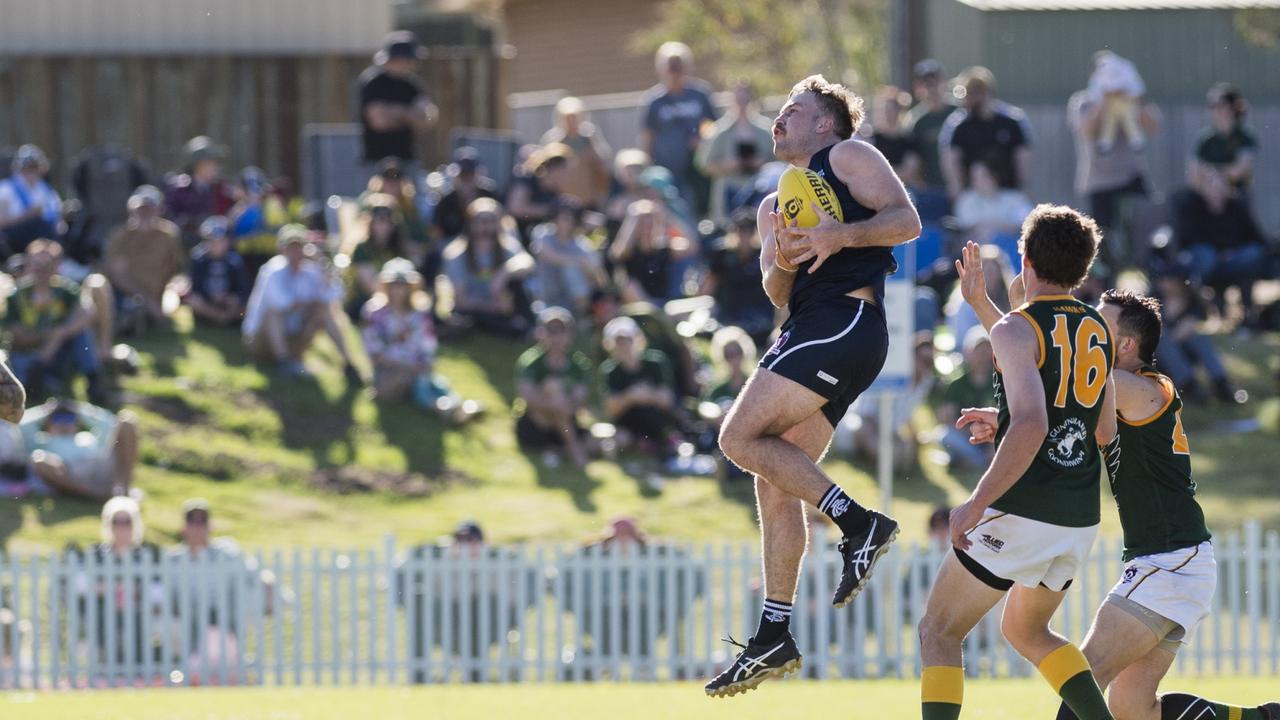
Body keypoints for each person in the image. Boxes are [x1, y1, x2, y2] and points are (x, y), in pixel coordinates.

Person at [957, 288, 1279, 720]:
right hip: (1173, 562)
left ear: (1126, 345)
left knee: (1081, 690)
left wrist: (988, 310)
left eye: (1098, 326)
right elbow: (1060, 405)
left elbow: (1050, 370)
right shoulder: (1108, 394)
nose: (1084, 332)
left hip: (1171, 563)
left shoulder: (1139, 388)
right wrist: (1007, 418)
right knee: (1133, 709)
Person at [704, 74, 921, 698]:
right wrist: (785, 257)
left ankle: (858, 522)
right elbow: (777, 292)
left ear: (824, 122)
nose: (779, 120)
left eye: (792, 110)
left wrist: (839, 235)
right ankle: (774, 632)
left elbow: (905, 221)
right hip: (813, 327)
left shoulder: (847, 155)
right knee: (774, 480)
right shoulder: (776, 201)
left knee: (738, 436)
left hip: (846, 320)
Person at [918, 210, 1118, 720]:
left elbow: (1030, 422)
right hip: (1078, 518)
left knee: (939, 631)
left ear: (1024, 260)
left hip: (1024, 509)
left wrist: (975, 503)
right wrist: (1005, 417)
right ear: (1084, 269)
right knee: (1026, 631)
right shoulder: (1095, 325)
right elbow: (1100, 426)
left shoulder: (1016, 327)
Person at [360, 259, 479, 423]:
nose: (398, 291)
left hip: (417, 367)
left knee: (429, 383)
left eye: (402, 285)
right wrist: (409, 367)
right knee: (411, 382)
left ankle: (456, 406)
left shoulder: (419, 314)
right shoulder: (374, 313)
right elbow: (375, 353)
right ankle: (447, 409)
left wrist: (425, 364)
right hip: (389, 368)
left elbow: (428, 345)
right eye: (394, 285)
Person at [241, 225, 361, 383]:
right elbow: (281, 303)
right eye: (291, 247)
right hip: (259, 341)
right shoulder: (272, 270)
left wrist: (322, 262)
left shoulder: (310, 272)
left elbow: (336, 295)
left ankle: (348, 364)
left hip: (292, 338)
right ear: (282, 249)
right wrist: (310, 302)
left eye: (299, 247)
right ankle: (284, 363)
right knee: (273, 313)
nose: (295, 252)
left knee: (323, 311)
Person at [1068, 53, 1159, 248]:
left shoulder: (1131, 100)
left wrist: (1134, 95)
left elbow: (1153, 126)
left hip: (1131, 175)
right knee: (1100, 240)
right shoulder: (1083, 102)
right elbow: (1086, 131)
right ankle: (1106, 276)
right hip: (1098, 180)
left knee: (1148, 226)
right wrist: (1103, 99)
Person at [3, 239, 106, 404]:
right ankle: (37, 387)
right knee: (26, 371)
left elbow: (88, 313)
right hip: (27, 356)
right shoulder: (17, 295)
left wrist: (60, 334)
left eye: (48, 264)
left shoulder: (66, 291)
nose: (42, 269)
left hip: (58, 355)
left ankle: (93, 381)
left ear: (56, 266)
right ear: (29, 265)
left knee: (82, 334)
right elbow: (19, 337)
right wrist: (51, 337)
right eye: (38, 264)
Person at [1171, 169, 1266, 322]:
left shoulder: (1236, 208)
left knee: (1253, 253)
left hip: (1233, 261)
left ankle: (1248, 314)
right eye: (1212, 186)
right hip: (1205, 261)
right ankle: (1199, 304)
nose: (1216, 191)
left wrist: (1231, 251)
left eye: (1220, 187)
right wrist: (1217, 251)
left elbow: (1256, 237)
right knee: (1205, 255)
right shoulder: (1193, 207)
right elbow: (1187, 238)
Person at [640, 41, 718, 210]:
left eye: (678, 66)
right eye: (671, 67)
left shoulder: (700, 95)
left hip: (697, 167)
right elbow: (648, 137)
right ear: (661, 69)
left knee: (700, 206)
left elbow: (711, 125)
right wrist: (649, 166)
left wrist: (702, 140)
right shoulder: (655, 101)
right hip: (667, 167)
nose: (675, 72)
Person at [441, 198, 536, 335]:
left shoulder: (507, 246)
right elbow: (461, 300)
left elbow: (528, 263)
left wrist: (504, 273)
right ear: (470, 224)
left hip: (501, 304)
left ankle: (527, 328)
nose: (485, 226)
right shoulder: (456, 254)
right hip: (474, 308)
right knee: (472, 319)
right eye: (479, 220)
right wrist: (490, 306)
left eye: (491, 220)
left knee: (517, 281)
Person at [514, 307, 594, 467]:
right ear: (540, 333)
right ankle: (574, 450)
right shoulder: (531, 361)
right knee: (552, 388)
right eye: (551, 330)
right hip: (535, 425)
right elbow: (527, 399)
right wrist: (555, 404)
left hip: (565, 425)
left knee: (612, 439)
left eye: (561, 330)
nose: (556, 336)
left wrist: (562, 406)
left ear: (570, 334)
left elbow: (579, 402)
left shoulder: (579, 364)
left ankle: (559, 450)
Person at [940, 66, 1032, 200]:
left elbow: (1022, 155)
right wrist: (957, 188)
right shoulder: (959, 125)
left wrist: (1021, 187)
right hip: (972, 195)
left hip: (1007, 193)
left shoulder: (1012, 121)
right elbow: (951, 157)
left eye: (973, 92)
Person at [20, 398, 138, 501]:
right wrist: (45, 410)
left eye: (69, 419)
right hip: (71, 474)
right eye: (57, 419)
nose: (63, 424)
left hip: (101, 467)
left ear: (77, 424)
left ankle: (123, 490)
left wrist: (79, 408)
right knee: (39, 460)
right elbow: (20, 426)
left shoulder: (88, 437)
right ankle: (97, 496)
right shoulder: (42, 441)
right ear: (48, 424)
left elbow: (109, 423)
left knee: (126, 422)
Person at [103, 185, 185, 333]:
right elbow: (118, 276)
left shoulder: (169, 234)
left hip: (158, 294)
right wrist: (147, 300)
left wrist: (171, 289)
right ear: (131, 210)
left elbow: (176, 268)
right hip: (128, 294)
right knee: (126, 311)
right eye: (141, 209)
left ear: (159, 210)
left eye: (150, 209)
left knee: (169, 306)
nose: (145, 214)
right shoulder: (119, 236)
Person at [1152, 269, 1240, 405]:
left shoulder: (1192, 302)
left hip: (1183, 353)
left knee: (1198, 338)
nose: (1165, 283)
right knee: (1163, 339)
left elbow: (1193, 326)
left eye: (1169, 280)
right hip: (1158, 358)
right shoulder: (1152, 300)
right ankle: (1189, 386)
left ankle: (1221, 382)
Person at [696, 81, 775, 224]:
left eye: (746, 98)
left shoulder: (766, 130)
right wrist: (727, 164)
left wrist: (762, 164)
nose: (742, 103)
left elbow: (780, 162)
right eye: (739, 98)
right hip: (729, 189)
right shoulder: (719, 131)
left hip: (758, 190)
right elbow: (704, 164)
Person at [599, 316, 680, 453]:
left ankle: (663, 440)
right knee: (621, 438)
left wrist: (647, 395)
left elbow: (667, 400)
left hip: (657, 418)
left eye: (627, 340)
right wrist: (630, 397)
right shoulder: (610, 371)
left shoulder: (655, 362)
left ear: (637, 339)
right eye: (619, 341)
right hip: (628, 423)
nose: (624, 346)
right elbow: (611, 410)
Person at [357, 31, 438, 168]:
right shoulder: (373, 83)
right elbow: (379, 122)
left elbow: (428, 119)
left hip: (407, 159)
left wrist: (395, 112)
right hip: (376, 161)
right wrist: (410, 115)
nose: (413, 64)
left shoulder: (413, 85)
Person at [701, 206, 775, 345]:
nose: (743, 235)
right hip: (728, 314)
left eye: (748, 230)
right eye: (740, 229)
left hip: (759, 317)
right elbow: (707, 288)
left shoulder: (766, 255)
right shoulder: (721, 255)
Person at [609, 199, 694, 305]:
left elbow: (692, 247)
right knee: (628, 284)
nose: (647, 228)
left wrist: (667, 217)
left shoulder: (665, 248)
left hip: (665, 305)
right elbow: (616, 253)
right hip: (640, 307)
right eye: (643, 224)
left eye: (651, 224)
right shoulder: (629, 252)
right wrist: (633, 219)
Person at [530, 198, 604, 316]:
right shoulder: (542, 234)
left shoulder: (584, 246)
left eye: (571, 219)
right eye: (562, 218)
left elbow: (599, 279)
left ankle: (581, 314)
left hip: (572, 300)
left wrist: (588, 269)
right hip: (547, 295)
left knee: (571, 270)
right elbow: (550, 256)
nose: (566, 223)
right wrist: (580, 261)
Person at [936, 327, 996, 470]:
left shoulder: (1001, 382)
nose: (982, 355)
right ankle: (983, 463)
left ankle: (975, 462)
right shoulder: (956, 384)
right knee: (945, 436)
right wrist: (974, 431)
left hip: (993, 436)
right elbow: (948, 419)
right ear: (968, 352)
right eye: (978, 350)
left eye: (987, 349)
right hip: (967, 437)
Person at [905, 60, 958, 218]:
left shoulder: (959, 114)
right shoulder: (917, 122)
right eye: (926, 83)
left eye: (935, 81)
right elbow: (914, 161)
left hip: (963, 190)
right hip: (933, 191)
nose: (931, 87)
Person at [540, 97, 613, 208]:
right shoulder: (554, 140)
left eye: (574, 118)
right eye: (567, 118)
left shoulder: (588, 138)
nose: (571, 122)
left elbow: (602, 163)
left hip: (587, 195)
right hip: (562, 197)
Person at [164, 136, 237, 246]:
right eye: (211, 163)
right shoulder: (179, 190)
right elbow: (171, 220)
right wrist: (195, 224)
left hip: (217, 248)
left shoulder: (222, 190)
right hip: (187, 246)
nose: (216, 167)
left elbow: (230, 219)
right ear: (198, 165)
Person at [953, 160, 1033, 255]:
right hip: (978, 253)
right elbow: (967, 226)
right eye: (974, 177)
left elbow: (1027, 222)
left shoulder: (1015, 198)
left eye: (982, 176)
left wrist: (992, 228)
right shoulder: (966, 199)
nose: (978, 181)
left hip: (1013, 250)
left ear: (994, 176)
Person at [1189, 83, 1256, 197]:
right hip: (1210, 198)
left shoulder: (1244, 136)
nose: (1214, 110)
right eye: (1211, 106)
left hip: (1237, 196)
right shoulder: (1206, 139)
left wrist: (1213, 174)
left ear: (1232, 107)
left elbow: (1241, 170)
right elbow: (1194, 175)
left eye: (1219, 105)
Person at [186, 216, 250, 327]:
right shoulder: (198, 259)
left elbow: (243, 289)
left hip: (228, 302)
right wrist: (211, 296)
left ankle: (227, 318)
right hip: (208, 302)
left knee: (244, 306)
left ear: (227, 241)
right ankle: (220, 318)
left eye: (220, 241)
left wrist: (228, 297)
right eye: (211, 241)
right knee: (194, 301)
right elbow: (195, 288)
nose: (216, 245)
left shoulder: (235, 260)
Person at [0, 145, 62, 255]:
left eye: (35, 167)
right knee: (38, 224)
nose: (31, 172)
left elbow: (57, 218)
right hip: (15, 240)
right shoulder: (6, 189)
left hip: (47, 237)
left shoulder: (46, 189)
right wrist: (28, 215)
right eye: (27, 168)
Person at [507, 143, 574, 242]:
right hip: (514, 236)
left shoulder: (555, 192)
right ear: (554, 168)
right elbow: (516, 208)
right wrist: (552, 211)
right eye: (565, 170)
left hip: (537, 240)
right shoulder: (527, 179)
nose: (568, 176)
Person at [432, 148, 499, 242]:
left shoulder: (490, 196)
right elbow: (437, 232)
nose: (466, 179)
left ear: (478, 174)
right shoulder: (445, 201)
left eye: (470, 174)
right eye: (463, 175)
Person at [869, 86, 921, 186]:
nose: (887, 114)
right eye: (884, 110)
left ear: (899, 111)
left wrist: (881, 172)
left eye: (891, 110)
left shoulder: (909, 141)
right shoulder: (871, 139)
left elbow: (909, 173)